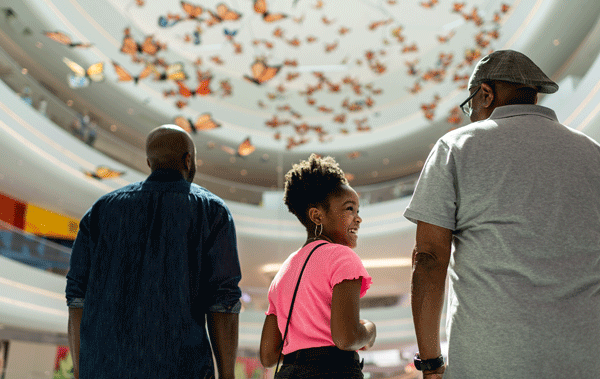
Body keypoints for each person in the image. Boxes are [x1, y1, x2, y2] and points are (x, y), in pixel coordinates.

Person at [404, 49, 600, 378]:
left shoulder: (456, 147)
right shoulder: (592, 153)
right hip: (586, 357)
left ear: (485, 94)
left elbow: (429, 258)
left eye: (471, 105)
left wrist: (431, 362)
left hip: (491, 361)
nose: (471, 116)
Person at [66, 124, 242, 379]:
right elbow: (223, 303)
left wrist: (82, 371)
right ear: (188, 160)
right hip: (182, 369)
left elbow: (76, 298)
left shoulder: (101, 211)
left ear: (149, 162)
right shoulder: (212, 211)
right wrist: (227, 376)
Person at [260, 154, 376, 379]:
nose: (358, 218)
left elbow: (268, 355)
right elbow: (347, 338)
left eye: (358, 210)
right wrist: (370, 331)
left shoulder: (283, 273)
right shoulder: (342, 257)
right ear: (317, 216)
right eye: (350, 209)